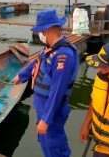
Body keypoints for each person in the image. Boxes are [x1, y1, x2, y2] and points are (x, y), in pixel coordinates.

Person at [12, 8, 79, 157]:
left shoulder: (63, 55)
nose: (39, 34)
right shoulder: (51, 48)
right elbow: (38, 61)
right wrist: (21, 76)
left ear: (47, 30)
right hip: (42, 105)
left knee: (54, 145)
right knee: (44, 142)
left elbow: (57, 91)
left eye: (40, 31)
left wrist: (47, 120)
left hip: (53, 108)